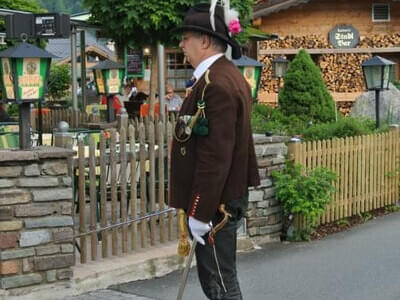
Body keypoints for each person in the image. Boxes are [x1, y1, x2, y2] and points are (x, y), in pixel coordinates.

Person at [169, 3, 260, 300]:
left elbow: (215, 156)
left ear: (205, 41)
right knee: (218, 282)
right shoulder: (222, 76)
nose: (181, 44)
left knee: (220, 284)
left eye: (186, 38)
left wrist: (199, 210)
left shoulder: (216, 84)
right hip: (217, 201)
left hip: (215, 206)